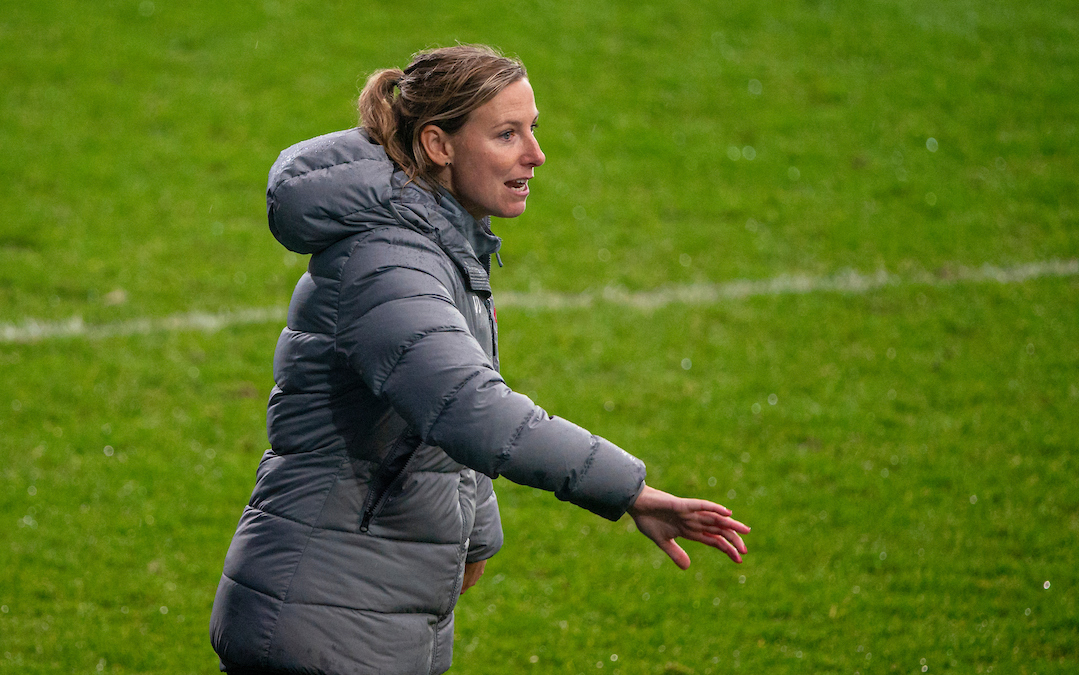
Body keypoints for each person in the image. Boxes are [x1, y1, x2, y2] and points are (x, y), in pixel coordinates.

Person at [209, 44, 750, 675]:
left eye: (533, 130)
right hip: (319, 614)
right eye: (506, 134)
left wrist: (476, 535)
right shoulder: (390, 264)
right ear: (439, 145)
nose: (535, 155)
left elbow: (432, 418)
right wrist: (631, 492)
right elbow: (470, 410)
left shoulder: (438, 244)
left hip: (359, 609)